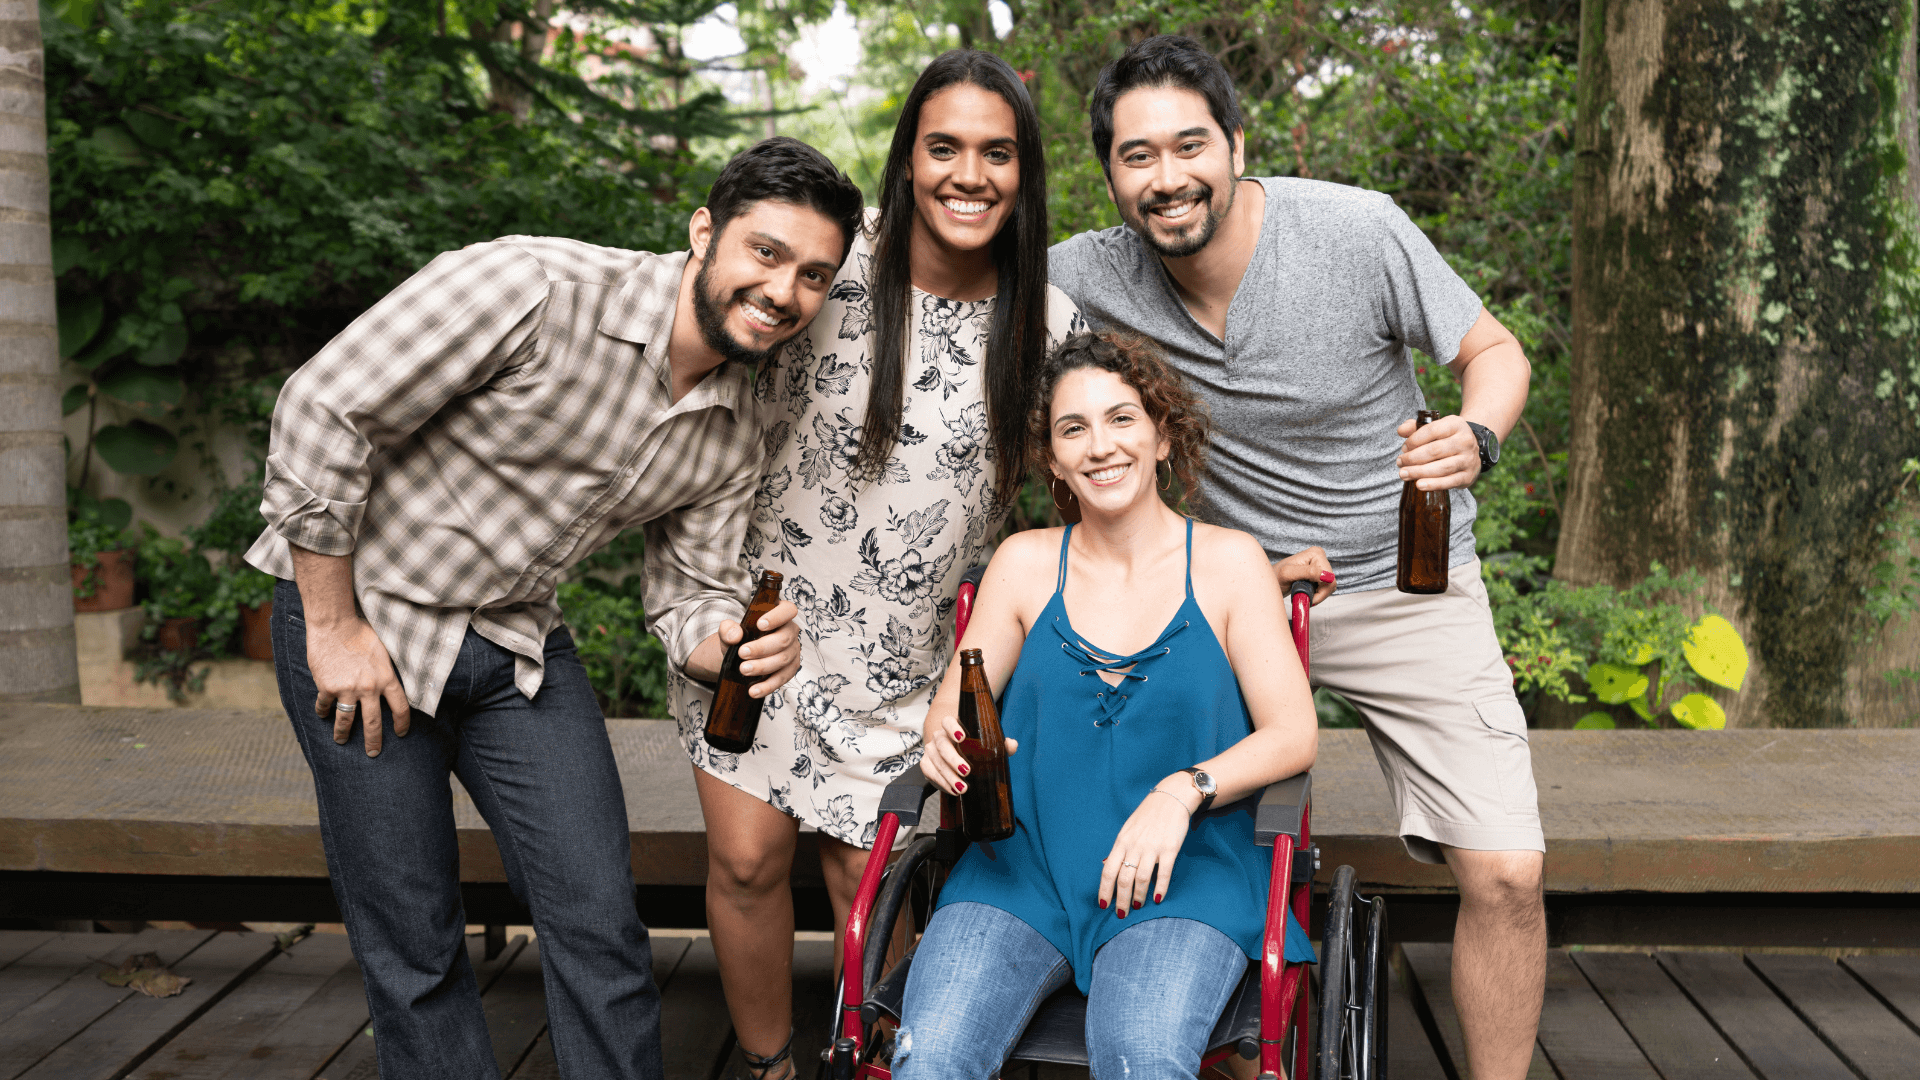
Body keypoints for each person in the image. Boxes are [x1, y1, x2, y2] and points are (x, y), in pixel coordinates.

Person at [245, 137, 865, 1080]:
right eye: (766, 253)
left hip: (515, 643)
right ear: (704, 232)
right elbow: (323, 405)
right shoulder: (530, 285)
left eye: (814, 274)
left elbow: (688, 595)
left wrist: (734, 648)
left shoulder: (736, 425)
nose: (784, 291)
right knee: (413, 936)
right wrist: (330, 628)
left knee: (600, 920)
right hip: (367, 621)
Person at [1047, 35, 1544, 1080]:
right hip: (1234, 598)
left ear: (1236, 145)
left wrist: (1478, 435)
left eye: (1190, 145)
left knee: (1505, 873)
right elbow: (950, 289)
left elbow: (1493, 351)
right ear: (1109, 175)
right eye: (1137, 156)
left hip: (1409, 580)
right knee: (1172, 830)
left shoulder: (1355, 230)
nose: (1167, 176)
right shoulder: (1087, 274)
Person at [670, 51, 1080, 1080]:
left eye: (997, 153)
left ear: (1026, 172)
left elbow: (1092, 490)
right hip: (759, 627)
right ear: (907, 160)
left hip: (910, 662)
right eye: (944, 147)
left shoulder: (1049, 323)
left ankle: (881, 1063)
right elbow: (697, 367)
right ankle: (767, 1067)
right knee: (749, 861)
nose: (969, 174)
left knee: (874, 888)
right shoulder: (827, 271)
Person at [896, 331, 1321, 1079]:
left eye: (1122, 419)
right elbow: (953, 714)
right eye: (1073, 429)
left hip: (1185, 878)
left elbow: (1293, 734)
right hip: (1021, 874)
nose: (1101, 446)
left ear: (1163, 435)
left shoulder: (1228, 563)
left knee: (1142, 1057)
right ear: (1054, 460)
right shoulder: (1025, 564)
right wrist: (942, 743)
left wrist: (1181, 791)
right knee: (928, 1057)